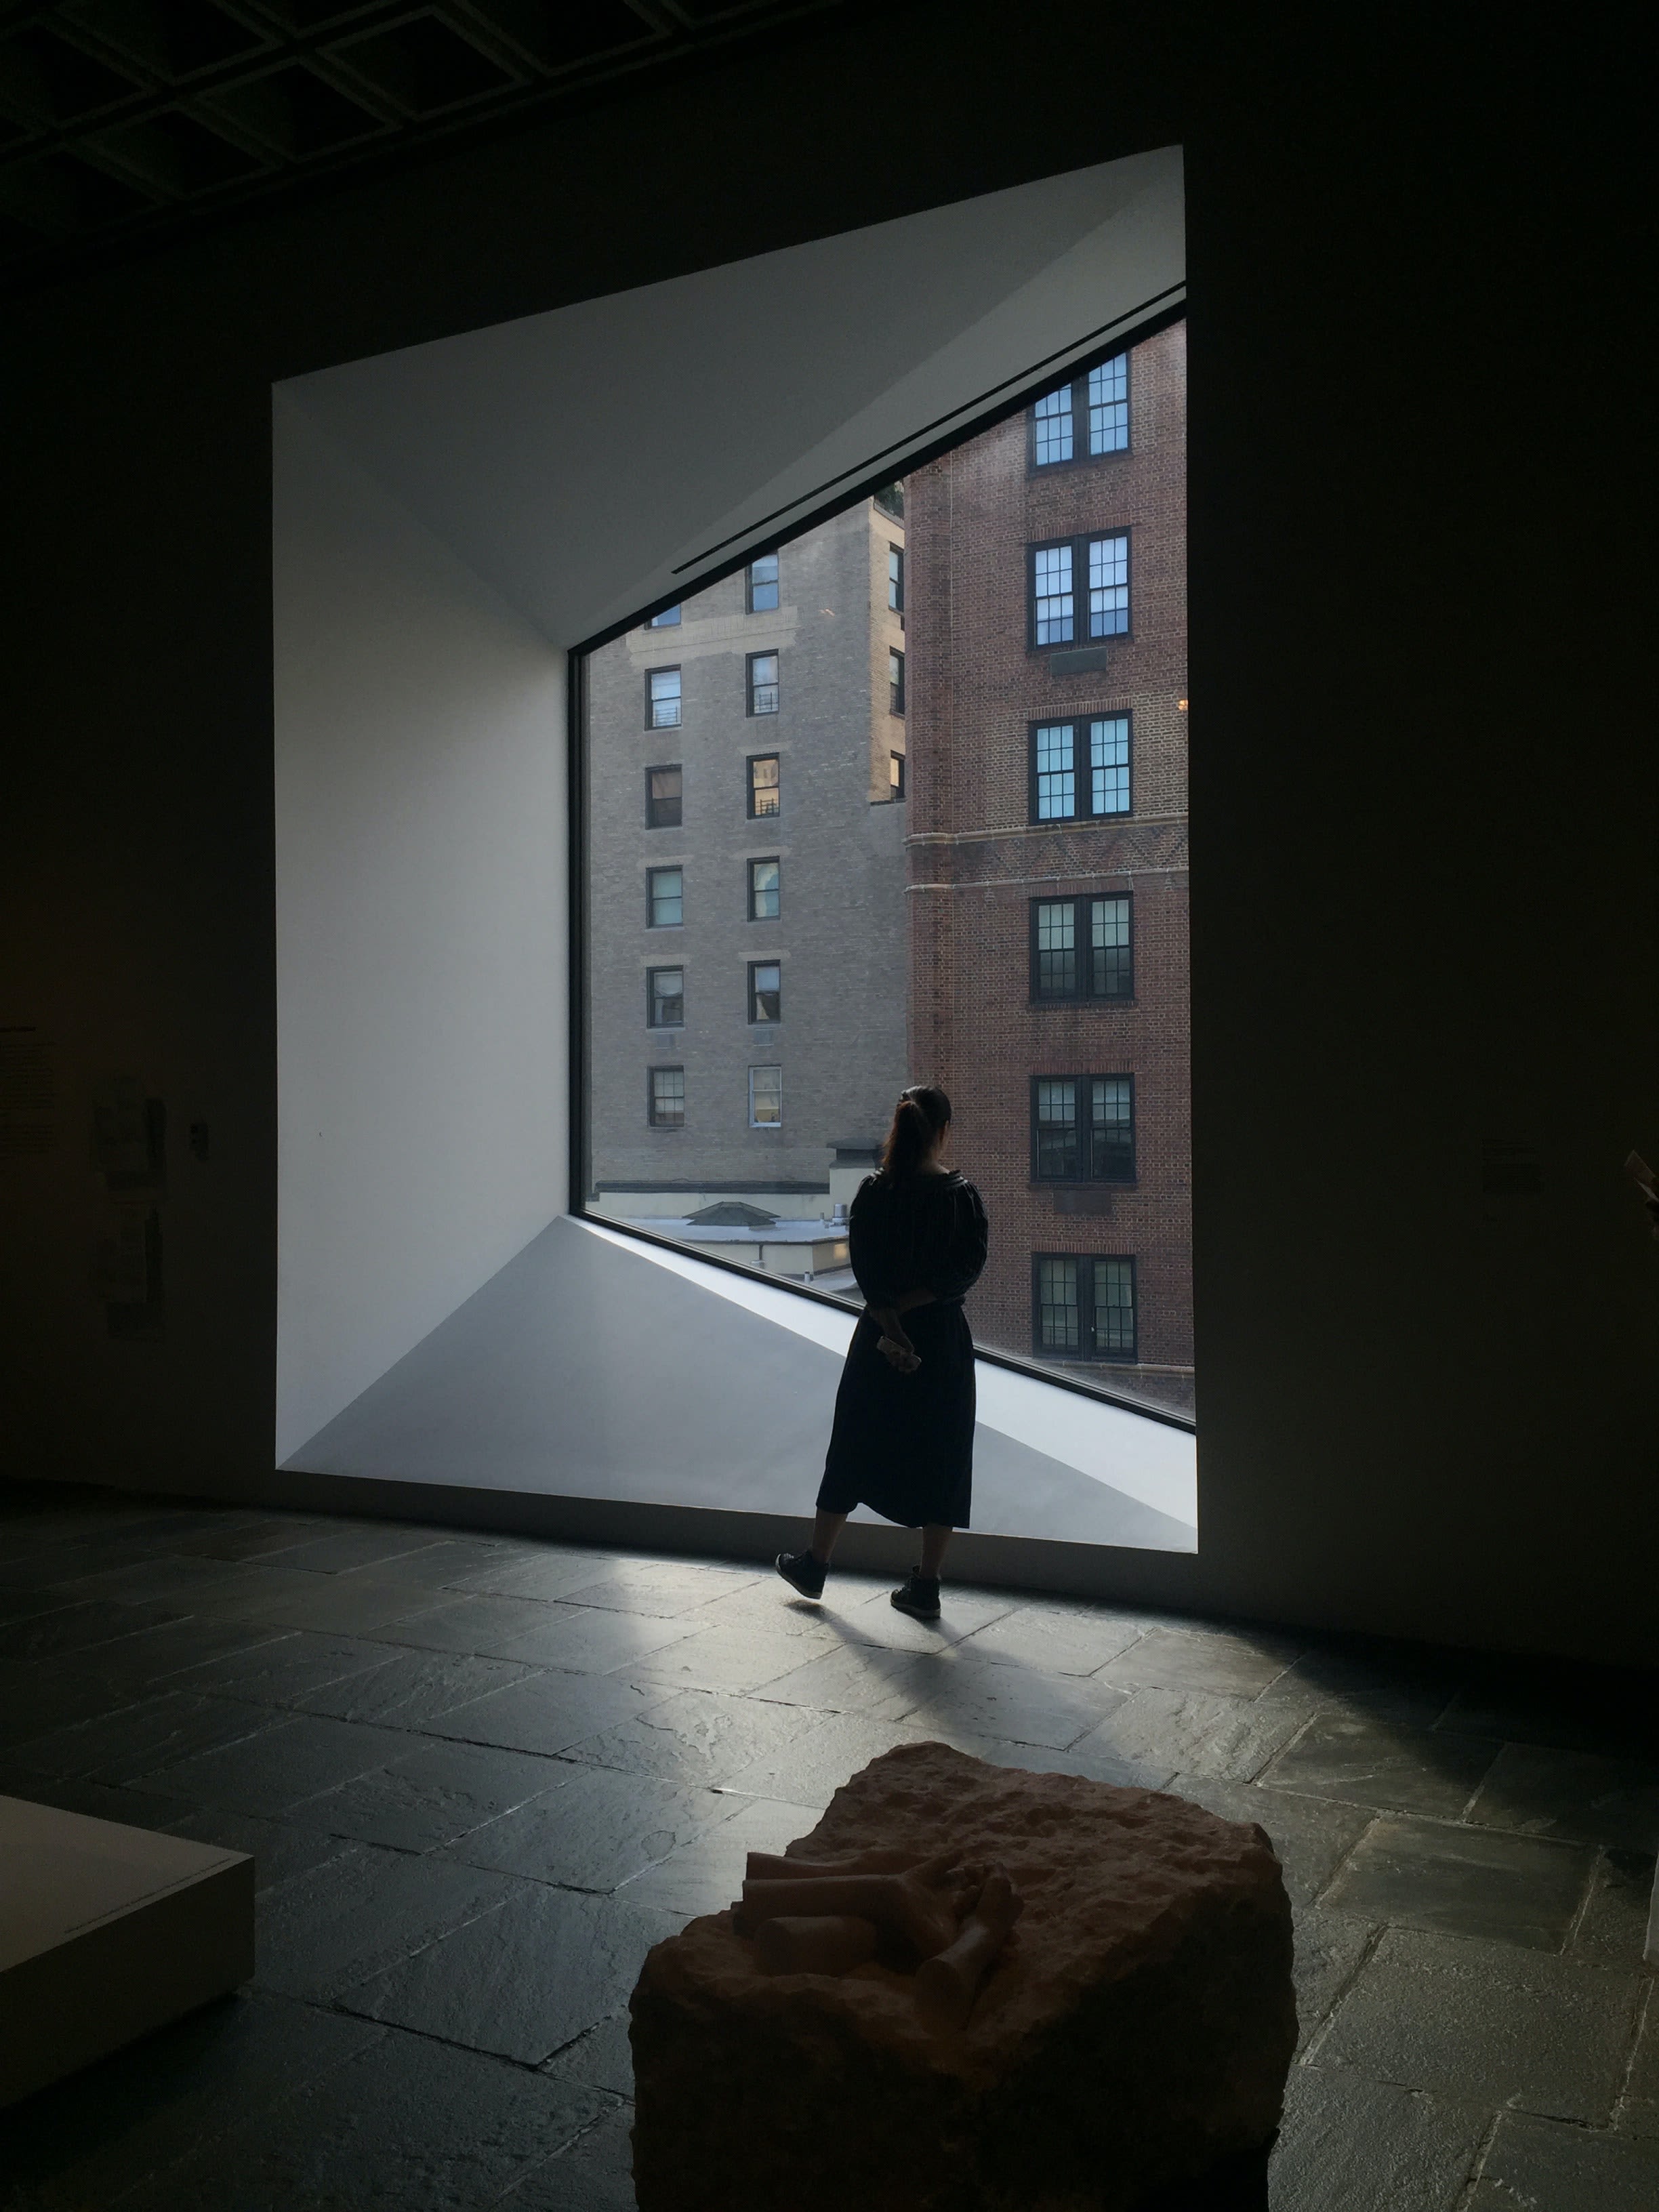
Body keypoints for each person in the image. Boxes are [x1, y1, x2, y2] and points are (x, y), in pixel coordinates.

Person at [776, 1084, 989, 1621]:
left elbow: (866, 1268)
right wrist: (916, 1313)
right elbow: (964, 1270)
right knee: (943, 1454)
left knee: (853, 1442)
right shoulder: (960, 1197)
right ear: (943, 1133)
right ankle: (927, 1585)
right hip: (940, 1341)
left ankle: (816, 1563)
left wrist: (892, 1323)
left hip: (877, 1339)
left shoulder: (875, 1191)